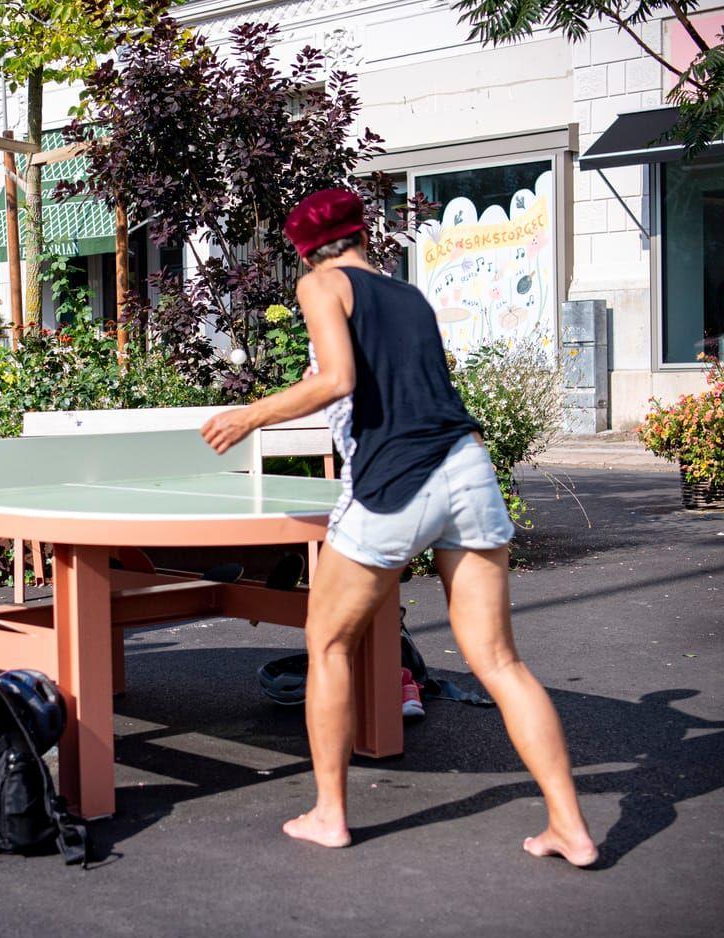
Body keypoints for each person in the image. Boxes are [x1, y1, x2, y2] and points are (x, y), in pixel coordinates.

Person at [200, 189, 597, 866]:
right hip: (466, 468)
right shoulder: (406, 295)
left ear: (304, 247)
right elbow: (387, 382)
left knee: (326, 644)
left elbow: (339, 379)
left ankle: (330, 814)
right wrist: (322, 383)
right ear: (360, 235)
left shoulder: (320, 283)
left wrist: (251, 414)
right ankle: (570, 827)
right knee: (500, 662)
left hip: (398, 482)